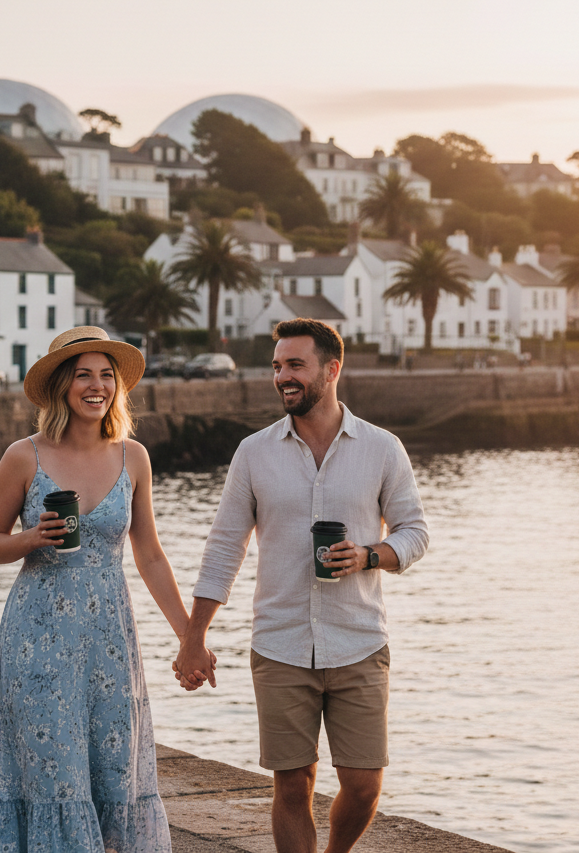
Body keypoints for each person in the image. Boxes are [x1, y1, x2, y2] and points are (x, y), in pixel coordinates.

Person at [173, 318, 429, 853]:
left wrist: (367, 556)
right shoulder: (253, 453)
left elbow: (415, 532)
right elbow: (225, 547)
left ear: (332, 370)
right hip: (280, 643)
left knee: (363, 784)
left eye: (295, 365)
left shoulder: (382, 449)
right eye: (276, 366)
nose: (282, 377)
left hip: (359, 641)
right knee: (293, 782)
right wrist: (194, 636)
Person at [0, 326, 211, 853]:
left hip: (110, 643)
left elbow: (148, 554)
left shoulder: (134, 457)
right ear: (62, 385)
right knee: (54, 777)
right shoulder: (23, 456)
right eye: (83, 375)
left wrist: (188, 637)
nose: (96, 385)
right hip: (37, 640)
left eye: (107, 376)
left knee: (113, 774)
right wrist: (32, 538)